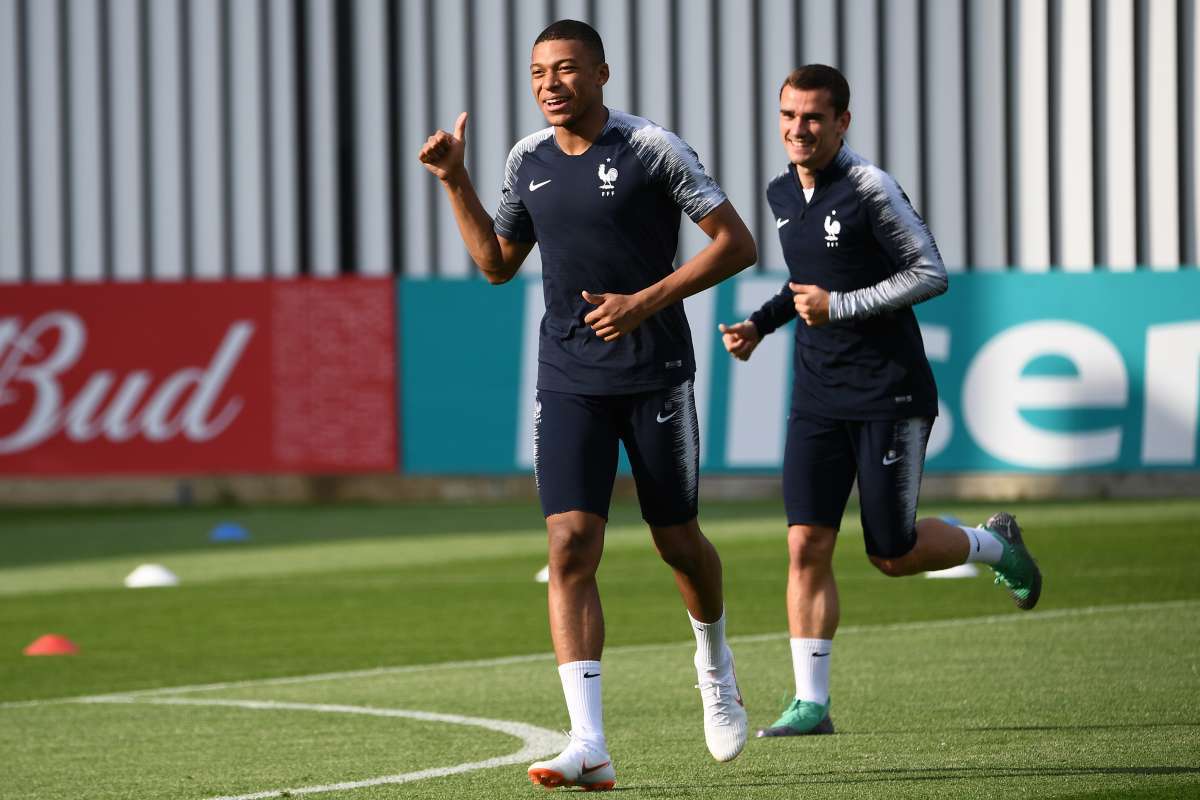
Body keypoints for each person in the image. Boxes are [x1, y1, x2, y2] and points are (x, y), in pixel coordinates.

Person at [419, 19, 757, 790]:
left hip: (655, 370)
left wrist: (645, 301)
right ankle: (590, 742)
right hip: (568, 376)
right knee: (569, 545)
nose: (551, 85)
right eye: (539, 73)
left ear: (602, 74)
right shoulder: (525, 161)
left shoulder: (650, 148)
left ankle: (714, 662)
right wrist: (454, 180)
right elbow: (498, 265)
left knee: (678, 544)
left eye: (567, 70)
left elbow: (736, 243)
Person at [718, 64, 1042, 739]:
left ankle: (992, 543)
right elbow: (807, 282)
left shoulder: (870, 188)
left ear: (842, 121)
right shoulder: (781, 192)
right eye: (788, 116)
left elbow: (930, 272)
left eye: (813, 117)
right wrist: (760, 324)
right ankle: (811, 703)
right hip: (816, 395)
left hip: (889, 393)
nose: (797, 129)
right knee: (805, 542)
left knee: (890, 554)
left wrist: (841, 307)